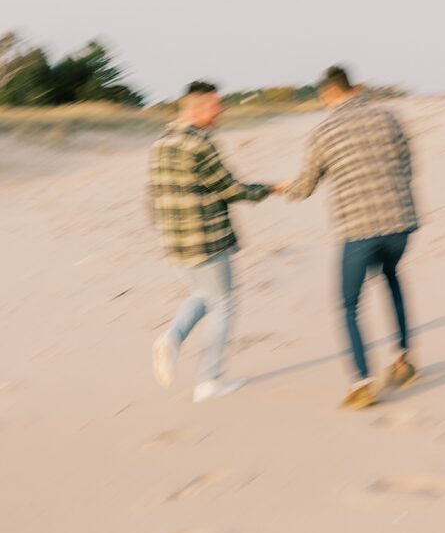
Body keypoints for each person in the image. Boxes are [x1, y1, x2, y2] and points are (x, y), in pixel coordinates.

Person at [280, 66, 418, 410]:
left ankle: (362, 383)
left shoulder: (324, 132)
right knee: (391, 278)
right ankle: (403, 359)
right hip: (400, 222)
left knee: (348, 305)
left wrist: (280, 188)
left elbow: (305, 186)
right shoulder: (389, 117)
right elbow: (408, 163)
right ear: (354, 88)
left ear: (328, 95)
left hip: (358, 229)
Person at [149, 80, 272, 402]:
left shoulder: (161, 142)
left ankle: (171, 339)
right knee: (224, 303)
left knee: (203, 294)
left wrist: (164, 233)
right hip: (206, 239)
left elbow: (153, 195)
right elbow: (231, 189)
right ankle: (209, 380)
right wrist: (269, 189)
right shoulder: (200, 144)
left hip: (174, 241)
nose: (221, 110)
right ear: (198, 108)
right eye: (216, 105)